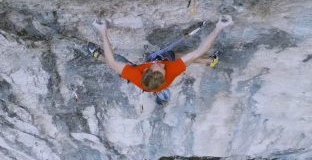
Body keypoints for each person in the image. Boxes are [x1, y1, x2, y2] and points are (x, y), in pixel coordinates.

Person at [91, 15, 233, 105]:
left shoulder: (134, 73)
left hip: (148, 80)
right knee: (176, 56)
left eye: (159, 67)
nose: (162, 65)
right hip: (163, 79)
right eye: (162, 68)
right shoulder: (170, 71)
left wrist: (103, 31)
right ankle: (208, 61)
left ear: (146, 69)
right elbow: (198, 52)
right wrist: (219, 28)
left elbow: (111, 61)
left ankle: (98, 56)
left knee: (116, 60)